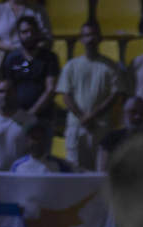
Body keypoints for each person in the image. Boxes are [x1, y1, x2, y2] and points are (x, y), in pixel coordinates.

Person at [56, 21, 126, 169]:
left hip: (100, 127)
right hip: (76, 126)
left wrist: (92, 116)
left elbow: (115, 95)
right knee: (75, 171)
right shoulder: (71, 65)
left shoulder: (110, 66)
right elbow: (66, 96)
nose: (90, 39)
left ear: (100, 38)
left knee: (99, 171)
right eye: (86, 35)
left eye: (93, 35)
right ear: (81, 39)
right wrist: (82, 117)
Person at [2, 14, 57, 124]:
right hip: (15, 116)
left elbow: (50, 89)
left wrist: (31, 113)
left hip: (43, 117)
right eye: (24, 32)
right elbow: (7, 88)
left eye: (32, 31)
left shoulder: (49, 58)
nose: (29, 35)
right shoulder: (11, 59)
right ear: (18, 35)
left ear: (38, 33)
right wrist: (18, 115)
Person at [97, 95, 143, 169]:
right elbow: (102, 170)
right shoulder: (110, 138)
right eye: (133, 112)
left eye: (142, 112)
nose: (138, 116)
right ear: (125, 113)